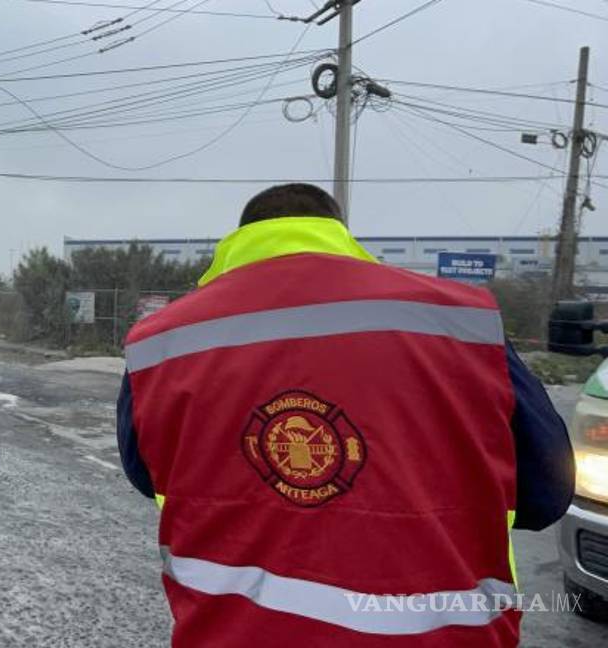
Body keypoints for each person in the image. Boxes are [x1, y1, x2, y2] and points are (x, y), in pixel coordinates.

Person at [116, 184, 574, 647]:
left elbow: (147, 475)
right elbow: (545, 493)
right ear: (339, 233)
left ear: (239, 239)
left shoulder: (162, 341)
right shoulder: (457, 320)